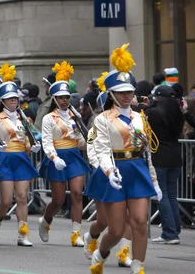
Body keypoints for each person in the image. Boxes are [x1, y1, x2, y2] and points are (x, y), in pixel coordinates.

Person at [89, 44, 162, 274]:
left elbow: (147, 151)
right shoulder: (103, 119)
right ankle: (100, 253)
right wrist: (109, 172)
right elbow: (101, 149)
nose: (126, 95)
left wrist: (155, 181)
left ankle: (138, 266)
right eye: (121, 92)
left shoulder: (141, 118)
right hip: (117, 171)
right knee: (117, 229)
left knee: (140, 221)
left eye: (129, 91)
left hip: (137, 169)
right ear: (111, 94)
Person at [37, 61, 90, 247]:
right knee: (58, 200)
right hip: (57, 157)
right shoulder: (48, 118)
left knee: (77, 194)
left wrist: (84, 139)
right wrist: (53, 157)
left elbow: (82, 143)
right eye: (60, 97)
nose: (65, 100)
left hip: (74, 155)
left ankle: (76, 233)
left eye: (67, 96)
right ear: (54, 99)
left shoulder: (75, 115)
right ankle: (45, 220)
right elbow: (47, 141)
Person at [82, 83, 133, 268]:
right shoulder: (99, 123)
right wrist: (104, 167)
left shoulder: (129, 120)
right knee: (103, 221)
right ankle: (91, 236)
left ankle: (124, 253)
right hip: (105, 175)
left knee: (129, 216)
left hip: (126, 172)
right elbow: (92, 149)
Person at [0, 63, 40, 247]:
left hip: (21, 159)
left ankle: (23, 233)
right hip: (4, 159)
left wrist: (31, 146)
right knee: (5, 200)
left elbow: (27, 138)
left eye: (15, 98)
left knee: (22, 197)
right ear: (2, 101)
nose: (14, 101)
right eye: (10, 99)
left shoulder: (23, 119)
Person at [147, 85, 184, 245]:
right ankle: (174, 229)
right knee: (171, 195)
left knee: (162, 196)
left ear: (157, 98)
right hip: (175, 156)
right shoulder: (178, 113)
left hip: (160, 157)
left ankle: (169, 232)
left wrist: (143, 106)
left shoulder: (152, 113)